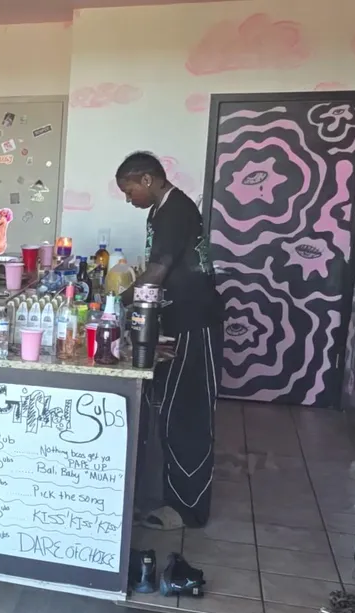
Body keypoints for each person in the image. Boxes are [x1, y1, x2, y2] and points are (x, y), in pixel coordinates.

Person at [114, 152, 223, 530]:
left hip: (195, 322)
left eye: (129, 191)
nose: (129, 199)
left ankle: (188, 509)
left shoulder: (176, 211)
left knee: (189, 415)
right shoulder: (160, 210)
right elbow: (157, 267)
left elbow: (157, 272)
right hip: (177, 320)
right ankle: (170, 497)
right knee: (173, 412)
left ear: (147, 179)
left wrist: (118, 302)